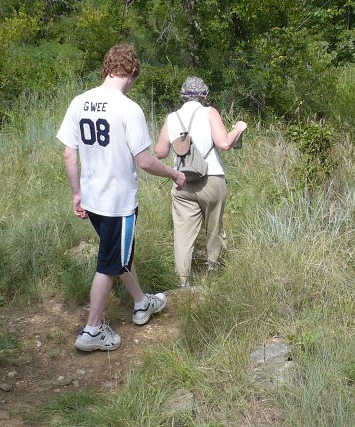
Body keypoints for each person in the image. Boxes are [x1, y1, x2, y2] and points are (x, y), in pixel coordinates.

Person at [57, 43, 186, 352]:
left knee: (117, 253)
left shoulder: (79, 102)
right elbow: (144, 161)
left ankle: (142, 303)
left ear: (107, 69)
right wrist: (173, 174)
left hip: (93, 199)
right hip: (118, 203)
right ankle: (92, 331)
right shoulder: (129, 108)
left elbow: (68, 155)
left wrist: (77, 193)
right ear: (132, 73)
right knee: (109, 263)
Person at [154, 76, 247, 287]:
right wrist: (239, 127)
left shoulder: (172, 117)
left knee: (183, 235)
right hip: (211, 179)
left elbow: (160, 153)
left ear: (183, 96)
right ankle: (213, 272)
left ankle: (183, 282)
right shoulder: (209, 112)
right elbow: (223, 143)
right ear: (204, 95)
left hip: (182, 182)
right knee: (213, 227)